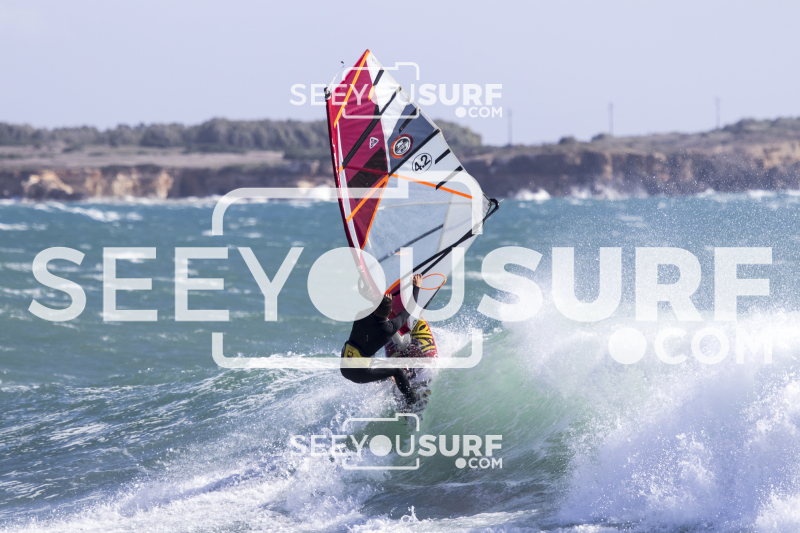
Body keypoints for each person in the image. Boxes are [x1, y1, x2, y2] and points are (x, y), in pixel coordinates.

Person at [340, 274, 423, 404]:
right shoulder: (388, 329)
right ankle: (412, 401)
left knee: (372, 357)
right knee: (398, 371)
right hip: (359, 374)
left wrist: (381, 300)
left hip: (345, 366)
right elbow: (410, 309)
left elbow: (374, 308)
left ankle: (388, 378)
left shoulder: (360, 316)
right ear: (389, 312)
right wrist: (417, 287)